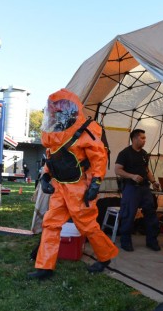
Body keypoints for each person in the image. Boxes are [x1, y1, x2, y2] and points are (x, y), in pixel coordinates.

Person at [29, 89, 119, 280]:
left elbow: (99, 158)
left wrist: (96, 183)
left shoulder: (87, 131)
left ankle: (105, 256)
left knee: (87, 226)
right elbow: (52, 157)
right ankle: (44, 267)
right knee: (51, 224)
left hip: (79, 187)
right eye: (55, 111)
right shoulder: (55, 132)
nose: (58, 114)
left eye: (62, 110)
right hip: (61, 186)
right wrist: (46, 177)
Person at [114, 129, 162, 252]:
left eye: (145, 138)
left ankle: (152, 241)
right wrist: (132, 176)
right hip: (131, 188)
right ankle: (125, 242)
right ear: (134, 138)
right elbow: (118, 170)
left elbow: (147, 170)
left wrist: (153, 182)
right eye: (142, 138)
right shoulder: (125, 153)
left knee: (151, 214)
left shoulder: (144, 154)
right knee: (128, 215)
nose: (144, 140)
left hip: (145, 189)